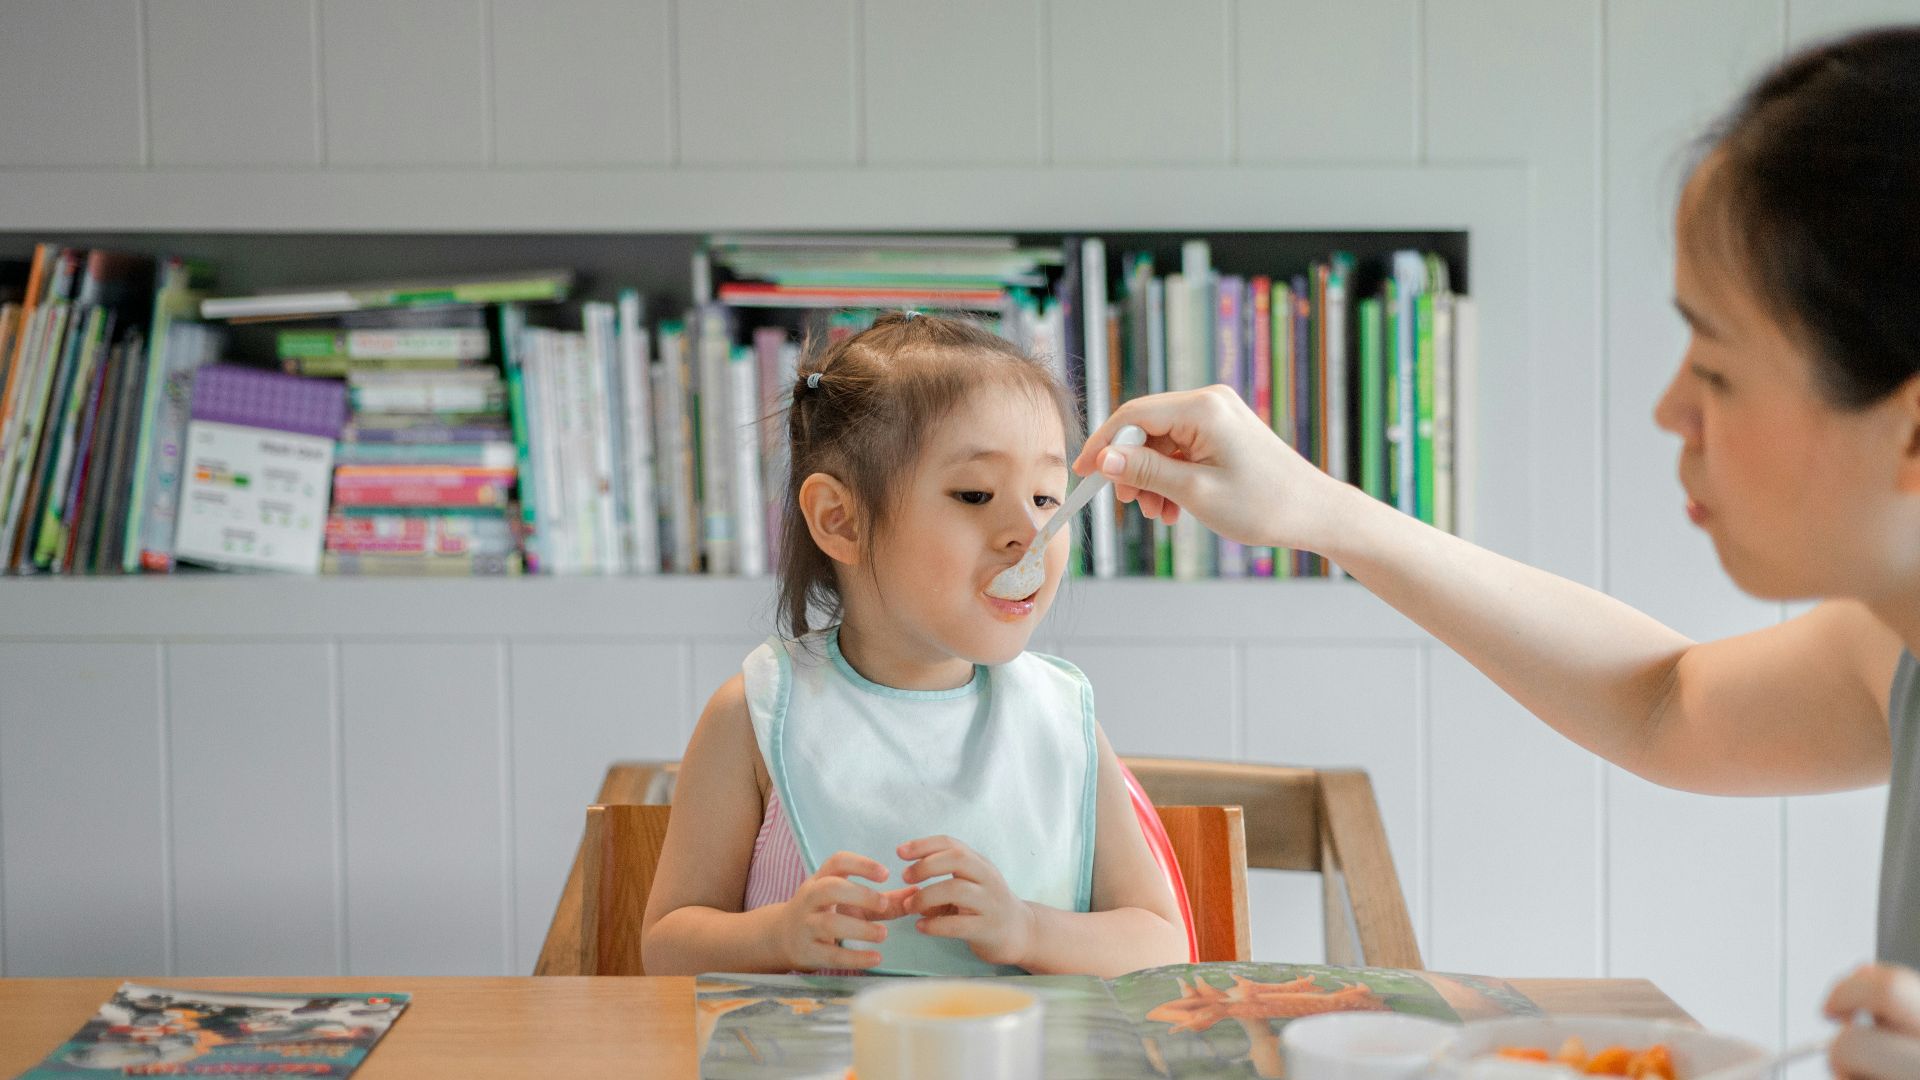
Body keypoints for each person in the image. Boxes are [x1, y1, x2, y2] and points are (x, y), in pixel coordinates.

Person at [1075, 24, 1920, 1080]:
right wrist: (1315, 509)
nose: (1669, 410)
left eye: (1716, 369)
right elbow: (1663, 700)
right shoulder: (1895, 650)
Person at [641, 311, 1187, 978]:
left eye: (1048, 497)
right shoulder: (753, 715)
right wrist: (778, 936)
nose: (1029, 532)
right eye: (976, 493)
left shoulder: (1062, 718)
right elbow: (666, 947)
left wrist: (1026, 930)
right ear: (840, 521)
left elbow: (1161, 945)